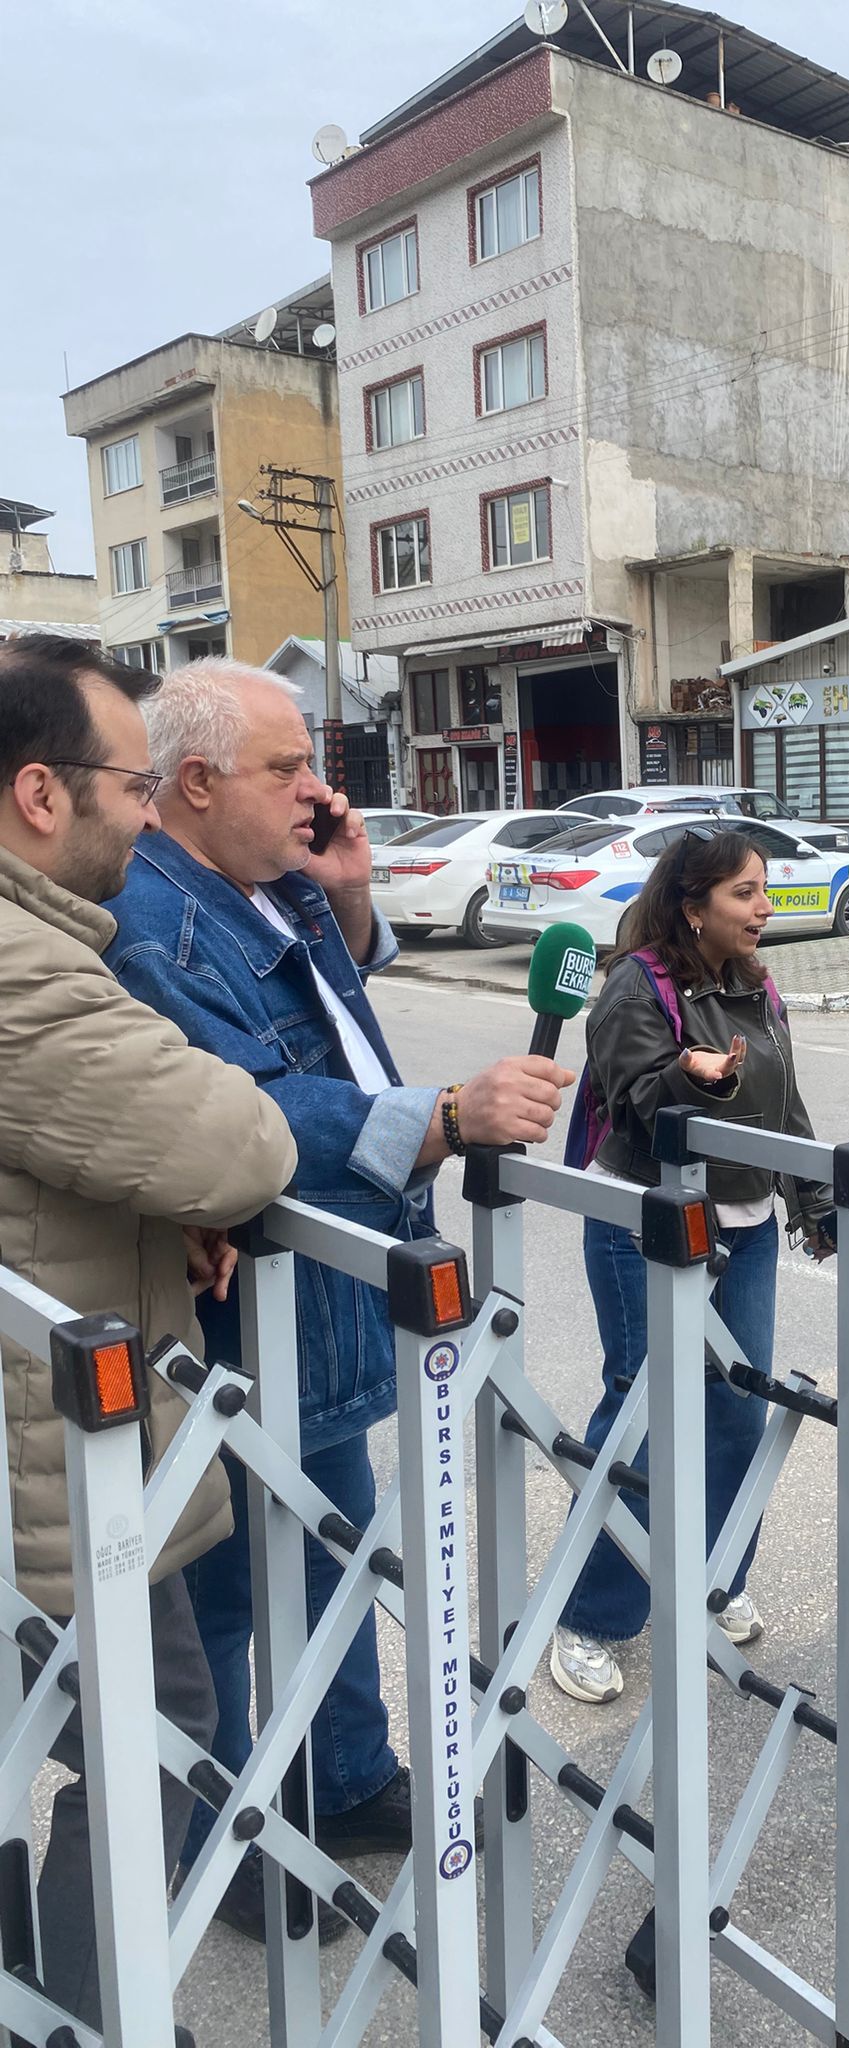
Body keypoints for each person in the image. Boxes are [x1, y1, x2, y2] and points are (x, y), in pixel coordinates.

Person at [102, 659, 574, 1939]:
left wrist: (349, 898)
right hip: (239, 1307)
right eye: (287, 767)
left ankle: (349, 1775)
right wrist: (446, 1115)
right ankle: (223, 1832)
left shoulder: (262, 882)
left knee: (338, 1551)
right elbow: (246, 1113)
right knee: (228, 1588)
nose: (317, 790)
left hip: (327, 1292)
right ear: (196, 782)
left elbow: (334, 1010)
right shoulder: (153, 923)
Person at [0, 636, 297, 2038]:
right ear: (40, 794)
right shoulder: (22, 970)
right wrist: (185, 1178)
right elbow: (240, 1141)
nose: (142, 815)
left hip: (56, 1450)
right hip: (54, 1481)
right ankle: (83, 2009)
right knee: (158, 1728)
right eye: (129, 784)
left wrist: (144, 1199)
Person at [551, 824, 835, 1705]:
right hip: (647, 1222)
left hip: (743, 1226)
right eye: (745, 893)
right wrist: (693, 1078)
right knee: (643, 1420)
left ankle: (713, 1579)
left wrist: (814, 1199)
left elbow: (785, 1105)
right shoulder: (635, 987)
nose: (764, 908)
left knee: (737, 1415)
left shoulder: (758, 984)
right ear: (692, 906)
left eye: (765, 890)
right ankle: (592, 1618)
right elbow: (638, 1099)